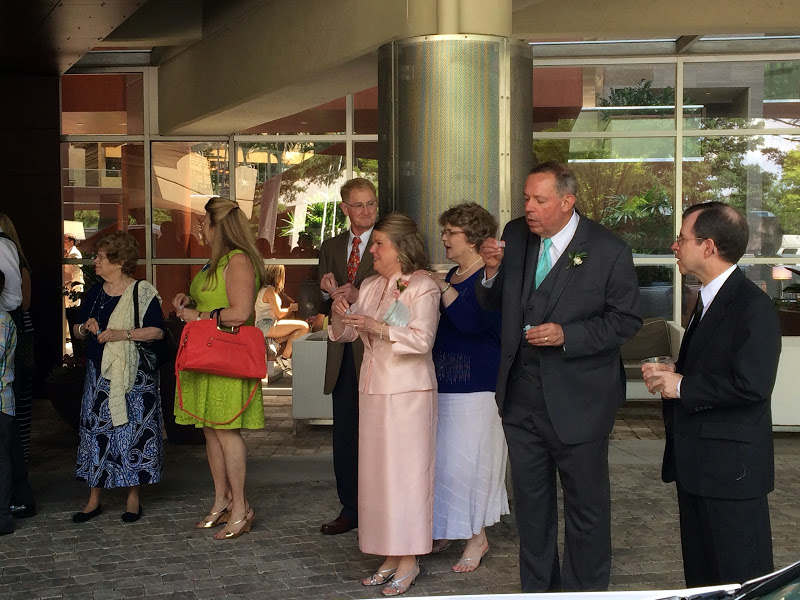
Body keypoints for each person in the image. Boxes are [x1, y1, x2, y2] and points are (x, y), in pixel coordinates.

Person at [476, 161, 641, 592]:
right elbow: (494, 303)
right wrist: (491, 271)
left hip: (581, 402)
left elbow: (626, 321)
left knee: (586, 510)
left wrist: (570, 335)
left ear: (567, 202)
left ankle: (584, 593)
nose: (528, 208)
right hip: (520, 399)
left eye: (539, 200)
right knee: (531, 510)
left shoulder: (608, 249)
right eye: (526, 199)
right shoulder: (515, 234)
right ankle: (539, 591)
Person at [643, 202, 781, 587]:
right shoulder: (708, 297)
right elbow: (716, 367)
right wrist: (675, 372)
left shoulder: (752, 305)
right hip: (699, 469)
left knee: (739, 583)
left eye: (681, 238)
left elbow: (752, 384)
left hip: (731, 474)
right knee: (704, 583)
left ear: (708, 247)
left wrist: (681, 385)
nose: (674, 246)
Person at [330, 213, 440, 596]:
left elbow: (422, 340)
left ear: (400, 247)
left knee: (406, 477)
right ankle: (390, 553)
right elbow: (345, 334)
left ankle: (409, 559)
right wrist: (339, 312)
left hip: (409, 393)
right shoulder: (371, 284)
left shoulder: (423, 286)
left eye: (379, 244)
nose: (372, 250)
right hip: (373, 389)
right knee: (377, 477)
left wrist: (377, 328)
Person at [173, 197, 268, 540]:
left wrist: (197, 315)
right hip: (206, 355)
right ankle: (222, 500)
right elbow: (216, 302)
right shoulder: (213, 262)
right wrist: (190, 300)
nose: (200, 228)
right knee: (210, 431)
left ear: (218, 226)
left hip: (227, 358)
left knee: (226, 432)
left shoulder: (238, 260)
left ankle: (241, 507)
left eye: (204, 222)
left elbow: (240, 312)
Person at [429, 203, 508, 572]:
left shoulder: (490, 276)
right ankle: (449, 525)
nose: (444, 238)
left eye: (451, 233)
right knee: (444, 464)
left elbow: (472, 323)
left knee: (471, 465)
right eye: (444, 231)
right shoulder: (451, 274)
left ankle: (477, 536)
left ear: (473, 239)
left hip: (478, 386)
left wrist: (442, 287)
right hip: (442, 382)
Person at [71, 231, 165, 524]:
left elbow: (157, 331)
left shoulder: (141, 291)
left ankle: (133, 499)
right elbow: (76, 329)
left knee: (131, 434)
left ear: (119, 261)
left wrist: (121, 334)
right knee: (96, 434)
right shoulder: (95, 292)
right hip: (98, 374)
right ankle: (93, 499)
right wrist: (85, 328)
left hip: (134, 377)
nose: (95, 262)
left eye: (100, 257)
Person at [317, 177, 378, 536]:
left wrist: (360, 294)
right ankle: (350, 508)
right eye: (359, 205)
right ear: (344, 209)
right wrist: (327, 291)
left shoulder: (388, 242)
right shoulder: (331, 246)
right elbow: (319, 298)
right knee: (345, 435)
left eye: (371, 203)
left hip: (376, 350)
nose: (367, 211)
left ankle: (378, 507)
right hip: (342, 353)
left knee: (379, 435)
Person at [0, 269, 35, 535]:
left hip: (1, 402)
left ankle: (2, 515)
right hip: (4, 402)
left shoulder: (1, 322)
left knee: (2, 459)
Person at [0, 214, 34, 464]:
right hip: (17, 328)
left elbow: (20, 303)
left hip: (16, 329)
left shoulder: (4, 247)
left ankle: (18, 459)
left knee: (16, 396)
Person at [255, 264, 309, 373]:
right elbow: (279, 313)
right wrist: (291, 308)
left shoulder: (262, 289)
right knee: (304, 327)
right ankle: (285, 358)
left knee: (294, 333)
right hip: (267, 325)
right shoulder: (270, 290)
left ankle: (275, 346)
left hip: (265, 325)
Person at [64, 234, 84, 308]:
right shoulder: (68, 253)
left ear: (71, 242)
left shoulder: (74, 253)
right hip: (70, 284)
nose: (63, 243)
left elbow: (71, 270)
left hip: (74, 284)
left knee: (72, 307)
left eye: (65, 241)